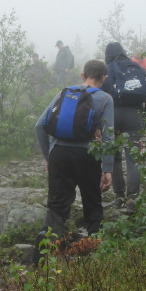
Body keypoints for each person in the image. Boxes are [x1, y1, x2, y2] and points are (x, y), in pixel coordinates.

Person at [35, 59, 114, 245]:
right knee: (92, 203)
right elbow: (109, 136)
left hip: (59, 154)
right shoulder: (105, 99)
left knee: (56, 205)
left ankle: (45, 243)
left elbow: (39, 126)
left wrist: (49, 156)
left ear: (82, 75)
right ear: (104, 77)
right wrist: (107, 169)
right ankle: (95, 249)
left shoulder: (65, 93)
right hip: (87, 155)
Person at [103, 42, 146, 209]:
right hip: (135, 114)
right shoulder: (136, 68)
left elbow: (100, 96)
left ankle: (119, 197)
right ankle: (133, 197)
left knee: (115, 157)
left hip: (112, 115)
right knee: (133, 157)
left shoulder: (107, 70)